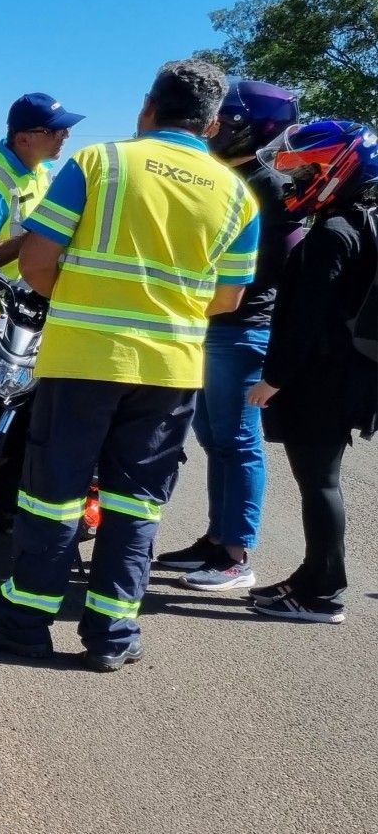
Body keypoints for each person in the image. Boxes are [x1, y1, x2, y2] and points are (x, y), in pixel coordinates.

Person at [0, 59, 263, 673]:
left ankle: (24, 622)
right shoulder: (237, 195)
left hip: (84, 358)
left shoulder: (100, 164)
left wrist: (84, 297)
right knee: (137, 502)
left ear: (147, 108)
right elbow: (228, 299)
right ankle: (113, 633)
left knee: (53, 496)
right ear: (214, 123)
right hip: (170, 371)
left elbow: (37, 261)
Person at [155, 81, 305, 591]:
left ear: (252, 129)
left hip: (242, 328)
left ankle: (237, 555)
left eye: (227, 120)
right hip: (211, 325)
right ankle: (216, 541)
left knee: (239, 442)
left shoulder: (268, 185)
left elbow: (277, 263)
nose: (215, 127)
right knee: (214, 439)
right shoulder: (226, 176)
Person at [245, 120, 378, 624]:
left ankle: (325, 593)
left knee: (320, 483)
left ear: (337, 171)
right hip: (340, 378)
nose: (295, 181)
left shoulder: (332, 236)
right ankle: (311, 575)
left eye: (306, 171)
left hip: (322, 381)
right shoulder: (357, 223)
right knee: (318, 481)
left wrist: (271, 380)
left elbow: (304, 320)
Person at [0, 93, 84, 345]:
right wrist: (41, 234)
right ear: (23, 138)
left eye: (66, 129)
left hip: (24, 314)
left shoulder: (41, 172)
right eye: (54, 130)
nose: (65, 135)